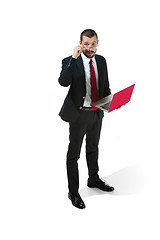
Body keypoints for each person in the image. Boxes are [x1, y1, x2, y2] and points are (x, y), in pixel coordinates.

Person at [58, 29, 114, 209]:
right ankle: (73, 192)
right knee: (73, 154)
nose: (90, 48)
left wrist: (111, 102)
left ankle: (93, 179)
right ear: (80, 43)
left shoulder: (102, 61)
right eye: (86, 44)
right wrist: (74, 58)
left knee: (93, 148)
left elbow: (105, 84)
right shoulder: (70, 61)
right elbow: (63, 82)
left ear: (98, 42)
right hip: (78, 114)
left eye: (93, 44)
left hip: (96, 113)